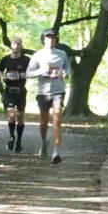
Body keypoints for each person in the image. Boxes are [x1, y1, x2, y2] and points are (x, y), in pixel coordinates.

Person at [25, 28, 71, 164]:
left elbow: (68, 69)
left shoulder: (62, 54)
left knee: (57, 119)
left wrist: (66, 74)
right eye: (48, 37)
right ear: (43, 39)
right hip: (43, 92)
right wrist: (40, 71)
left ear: (56, 40)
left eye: (53, 38)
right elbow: (28, 73)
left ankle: (56, 152)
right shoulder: (37, 55)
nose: (50, 40)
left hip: (59, 91)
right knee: (44, 121)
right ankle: (44, 142)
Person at [0, 37, 31, 152]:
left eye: (19, 43)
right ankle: (12, 137)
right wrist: (2, 76)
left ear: (22, 46)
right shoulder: (6, 59)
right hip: (9, 91)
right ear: (11, 45)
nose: (16, 45)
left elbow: (33, 71)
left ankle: (19, 141)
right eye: (14, 43)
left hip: (21, 91)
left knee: (20, 117)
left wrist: (25, 74)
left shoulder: (26, 60)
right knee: (11, 115)